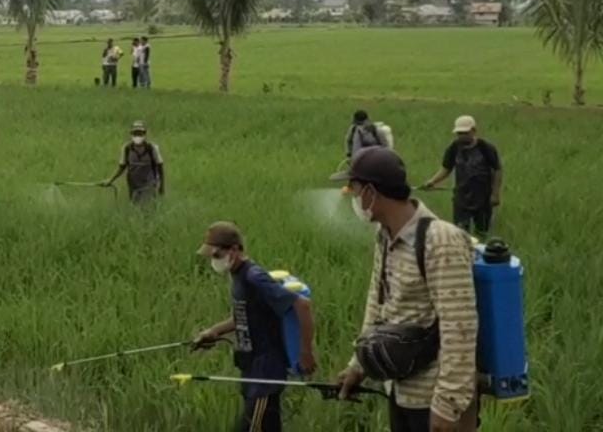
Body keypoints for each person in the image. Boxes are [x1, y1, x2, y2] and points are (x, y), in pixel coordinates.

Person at [331, 147, 479, 432]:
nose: (352, 197)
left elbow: (460, 326)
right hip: (399, 390)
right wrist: (358, 366)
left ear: (371, 192)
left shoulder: (440, 240)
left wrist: (447, 405)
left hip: (432, 398)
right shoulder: (385, 236)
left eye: (355, 189)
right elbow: (377, 305)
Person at [192, 222, 317, 432]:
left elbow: (302, 305)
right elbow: (244, 316)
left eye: (216, 255)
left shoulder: (254, 277)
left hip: (265, 374)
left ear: (234, 250)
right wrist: (213, 332)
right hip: (252, 370)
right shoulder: (238, 276)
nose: (213, 261)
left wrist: (306, 352)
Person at [420, 115, 502, 235]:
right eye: (459, 133)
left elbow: (497, 170)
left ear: (473, 130)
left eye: (465, 133)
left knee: (482, 231)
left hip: (483, 197)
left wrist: (495, 194)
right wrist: (432, 182)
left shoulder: (485, 148)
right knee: (460, 231)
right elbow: (446, 169)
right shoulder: (454, 148)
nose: (462, 136)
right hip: (462, 197)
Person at [103, 121, 164, 203]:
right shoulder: (127, 148)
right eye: (135, 133)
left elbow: (160, 166)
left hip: (149, 184)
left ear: (144, 134)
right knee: (135, 206)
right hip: (133, 185)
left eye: (140, 133)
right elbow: (122, 167)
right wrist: (110, 180)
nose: (138, 135)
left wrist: (161, 185)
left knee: (148, 206)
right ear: (131, 134)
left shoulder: (152, 148)